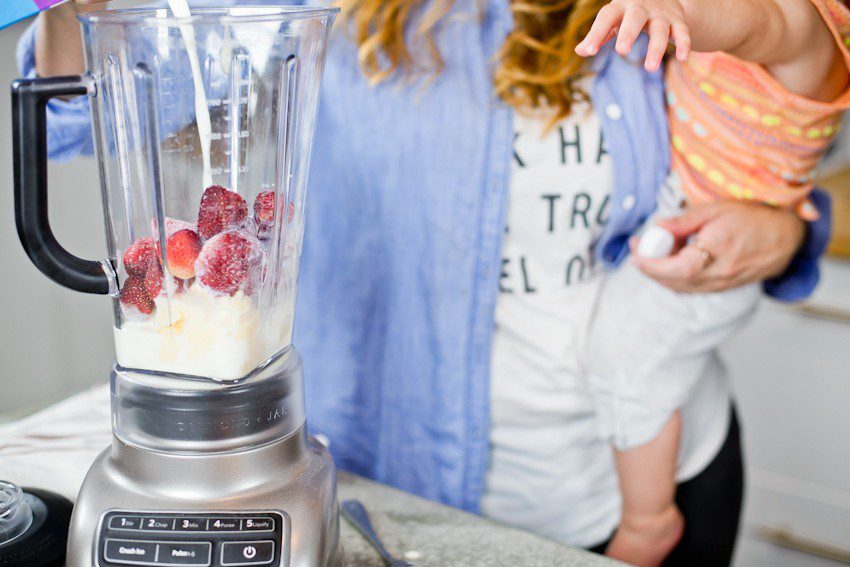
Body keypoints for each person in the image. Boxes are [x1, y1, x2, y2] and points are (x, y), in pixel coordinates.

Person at [18, 0, 836, 564]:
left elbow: (784, 114)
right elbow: (92, 105)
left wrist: (785, 231)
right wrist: (71, 10)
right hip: (401, 494)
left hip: (657, 474)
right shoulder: (318, 15)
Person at [571, 1, 850, 565]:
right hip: (685, 208)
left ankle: (648, 522)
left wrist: (673, 9)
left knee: (623, 360)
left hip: (708, 233)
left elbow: (743, 22)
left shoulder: (800, 22)